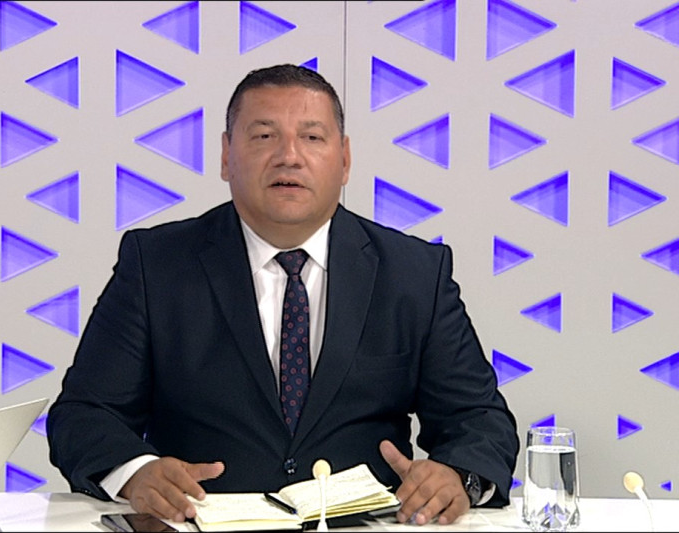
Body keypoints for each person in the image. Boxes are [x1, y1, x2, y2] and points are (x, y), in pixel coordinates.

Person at [47, 64, 519, 526]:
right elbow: (85, 414)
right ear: (226, 156)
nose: (289, 156)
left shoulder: (413, 273)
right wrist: (136, 472)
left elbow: (480, 420)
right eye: (264, 136)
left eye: (312, 137)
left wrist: (457, 476)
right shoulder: (156, 265)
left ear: (345, 159)